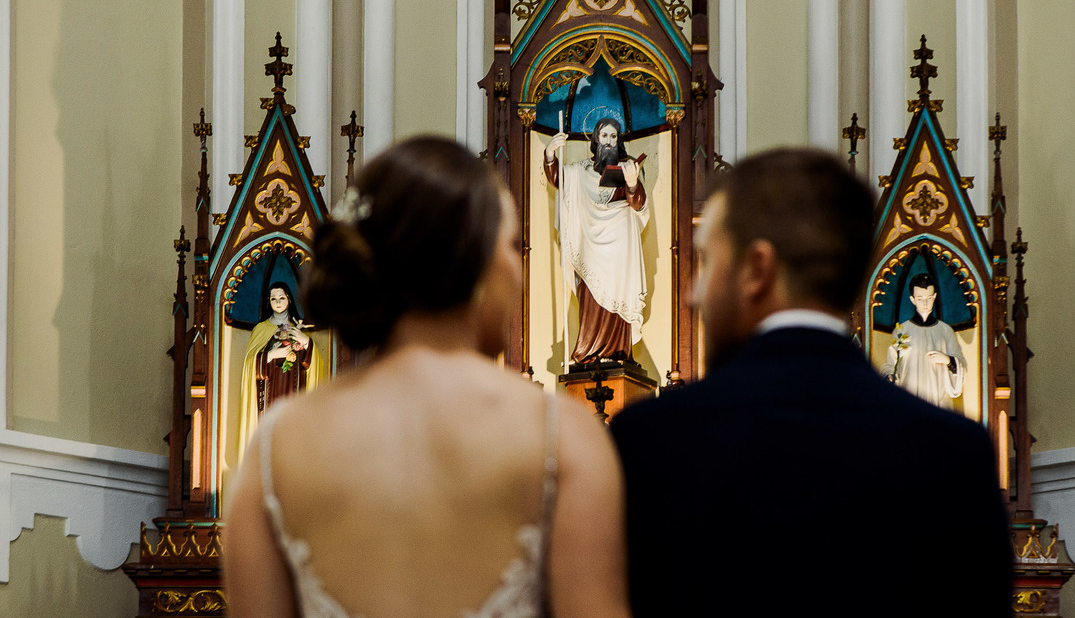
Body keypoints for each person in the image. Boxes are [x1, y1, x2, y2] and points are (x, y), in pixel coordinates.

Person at [224, 136, 629, 618]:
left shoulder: (275, 448)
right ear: (474, 260)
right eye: (511, 245)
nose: (519, 269)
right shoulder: (563, 437)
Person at [609, 148, 1012, 618]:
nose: (691, 293)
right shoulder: (953, 452)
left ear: (757, 269)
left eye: (706, 260)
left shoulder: (653, 440)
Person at [544, 117, 648, 364]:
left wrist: (632, 184)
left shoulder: (628, 169)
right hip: (590, 246)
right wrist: (550, 153)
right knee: (591, 298)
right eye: (604, 136)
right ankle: (589, 351)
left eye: (614, 137)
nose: (609, 142)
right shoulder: (579, 171)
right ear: (595, 139)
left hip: (620, 254)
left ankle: (618, 352)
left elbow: (638, 205)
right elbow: (558, 178)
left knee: (620, 296)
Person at [236, 281, 325, 462]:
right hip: (269, 393)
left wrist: (306, 343)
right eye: (273, 298)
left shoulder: (298, 329)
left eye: (281, 297)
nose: (277, 302)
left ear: (289, 300)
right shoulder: (260, 330)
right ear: (268, 302)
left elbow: (314, 365)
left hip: (294, 391)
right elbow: (249, 365)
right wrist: (270, 355)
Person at [881, 272, 968, 411]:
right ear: (912, 299)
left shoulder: (945, 331)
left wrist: (948, 360)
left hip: (938, 398)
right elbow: (890, 364)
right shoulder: (902, 330)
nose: (925, 303)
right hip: (909, 400)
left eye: (929, 298)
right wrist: (889, 377)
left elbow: (960, 363)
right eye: (920, 299)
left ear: (934, 297)